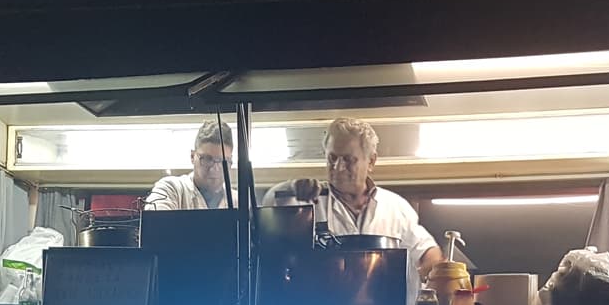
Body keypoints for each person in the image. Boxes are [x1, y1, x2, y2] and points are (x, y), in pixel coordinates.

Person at [272, 118, 441, 283]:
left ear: (371, 161)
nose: (338, 167)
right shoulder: (305, 202)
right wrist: (291, 188)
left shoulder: (395, 208)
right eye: (332, 158)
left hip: (386, 302)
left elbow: (429, 253)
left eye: (348, 160)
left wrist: (417, 281)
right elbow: (270, 210)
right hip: (321, 301)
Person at [143, 120, 235, 210]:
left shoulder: (238, 201)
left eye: (222, 161)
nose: (214, 169)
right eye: (207, 159)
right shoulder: (170, 189)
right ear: (192, 156)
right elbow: (155, 219)